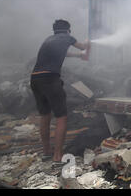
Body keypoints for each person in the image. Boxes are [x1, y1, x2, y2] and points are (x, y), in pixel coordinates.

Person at [30, 19, 90, 162]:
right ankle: (58, 156)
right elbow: (83, 47)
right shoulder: (67, 37)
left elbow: (64, 53)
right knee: (61, 117)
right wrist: (88, 43)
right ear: (68, 30)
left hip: (35, 79)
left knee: (45, 116)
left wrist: (77, 56)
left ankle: (46, 152)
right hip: (50, 79)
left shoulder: (49, 40)